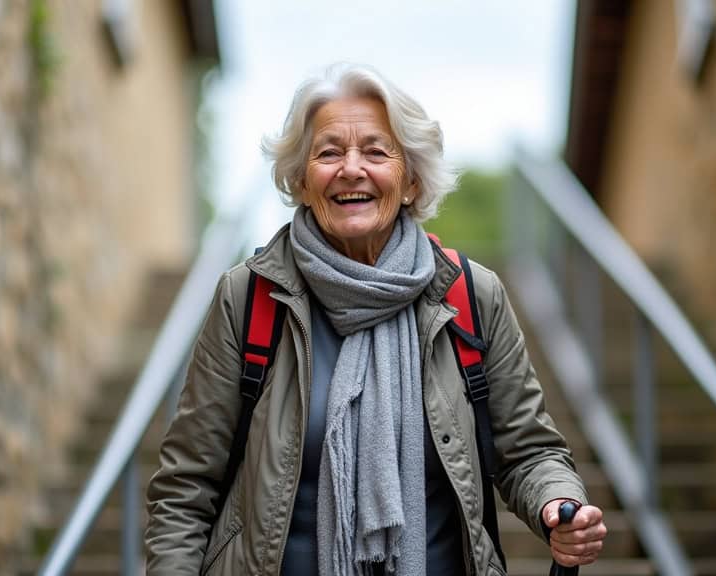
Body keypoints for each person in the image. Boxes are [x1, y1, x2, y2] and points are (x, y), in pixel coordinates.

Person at [144, 63, 606, 575]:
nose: (351, 168)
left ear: (410, 180)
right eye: (328, 152)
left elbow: (528, 450)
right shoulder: (250, 296)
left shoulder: (472, 295)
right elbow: (186, 487)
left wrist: (557, 503)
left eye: (376, 150)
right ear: (301, 181)